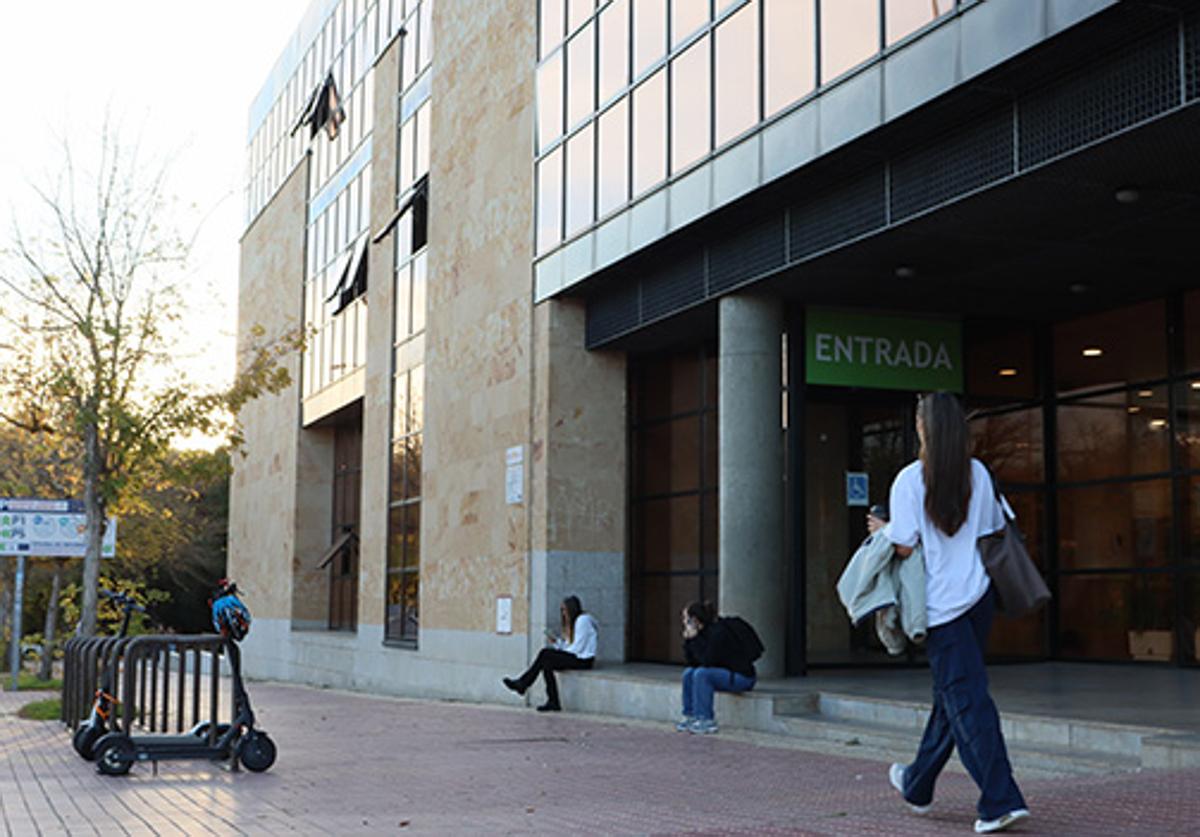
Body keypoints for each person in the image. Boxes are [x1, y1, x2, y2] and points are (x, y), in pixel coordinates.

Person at [883, 392, 1029, 834]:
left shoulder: (909, 480)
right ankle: (917, 783)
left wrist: (883, 528)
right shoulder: (980, 473)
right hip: (977, 601)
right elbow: (990, 532)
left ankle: (999, 801)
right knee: (954, 697)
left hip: (941, 609)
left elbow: (904, 543)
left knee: (967, 703)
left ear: (926, 429)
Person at [502, 595, 596, 712]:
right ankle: (552, 701)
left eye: (564, 610)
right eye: (562, 610)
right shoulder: (572, 623)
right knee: (547, 663)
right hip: (575, 656)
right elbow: (568, 646)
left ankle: (523, 684)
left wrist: (558, 652)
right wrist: (557, 643)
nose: (563, 613)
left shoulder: (583, 621)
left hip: (583, 660)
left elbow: (578, 648)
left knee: (545, 653)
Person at [675, 602, 757, 735]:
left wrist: (695, 639)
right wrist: (689, 641)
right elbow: (692, 662)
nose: (684, 622)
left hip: (742, 678)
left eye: (686, 619)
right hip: (722, 674)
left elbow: (708, 661)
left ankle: (705, 720)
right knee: (689, 673)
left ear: (695, 620)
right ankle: (689, 716)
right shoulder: (701, 633)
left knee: (702, 674)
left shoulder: (718, 632)